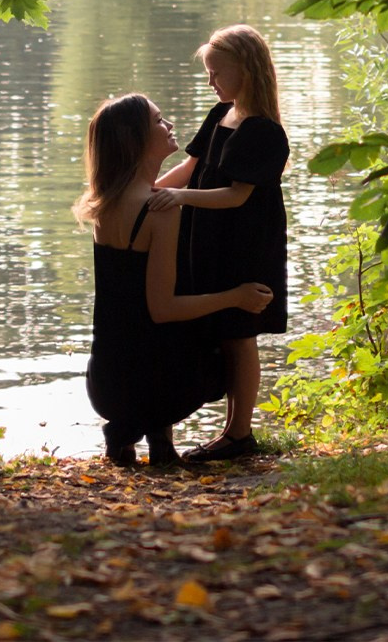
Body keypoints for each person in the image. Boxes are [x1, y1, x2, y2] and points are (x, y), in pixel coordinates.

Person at [78, 93, 272, 467]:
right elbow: (163, 309)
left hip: (104, 381)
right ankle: (127, 431)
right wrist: (236, 296)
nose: (169, 126)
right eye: (158, 120)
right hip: (146, 386)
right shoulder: (158, 210)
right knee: (218, 350)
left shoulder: (105, 201)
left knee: (146, 335)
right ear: (134, 138)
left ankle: (158, 443)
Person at [148, 25, 289, 462]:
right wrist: (145, 192)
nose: (210, 82)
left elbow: (237, 195)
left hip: (246, 243)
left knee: (240, 333)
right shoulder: (219, 114)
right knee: (220, 331)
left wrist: (178, 199)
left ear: (245, 69)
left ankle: (239, 434)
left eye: (215, 72)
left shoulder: (263, 131)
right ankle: (227, 432)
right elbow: (192, 167)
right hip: (207, 238)